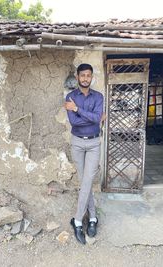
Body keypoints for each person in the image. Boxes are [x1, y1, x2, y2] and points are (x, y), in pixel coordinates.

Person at [64, 63, 103, 245]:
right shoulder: (70, 96)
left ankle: (78, 220)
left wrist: (78, 110)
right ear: (78, 77)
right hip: (78, 143)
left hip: (94, 143)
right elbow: (74, 123)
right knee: (85, 182)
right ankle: (93, 218)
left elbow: (97, 119)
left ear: (91, 77)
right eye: (82, 75)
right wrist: (92, 118)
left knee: (87, 181)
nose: (85, 78)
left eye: (88, 75)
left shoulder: (99, 96)